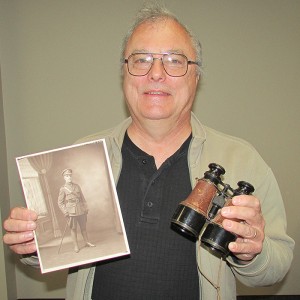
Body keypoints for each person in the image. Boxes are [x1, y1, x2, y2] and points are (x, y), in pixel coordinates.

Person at [2, 3, 295, 300]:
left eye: (174, 60)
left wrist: (252, 253)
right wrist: (34, 244)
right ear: (124, 74)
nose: (156, 73)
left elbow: (277, 266)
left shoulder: (242, 159)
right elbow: (53, 246)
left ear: (196, 77)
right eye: (141, 60)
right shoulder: (83, 156)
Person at [58, 168, 95, 253]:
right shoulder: (63, 189)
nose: (69, 177)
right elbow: (60, 203)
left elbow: (82, 198)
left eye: (70, 175)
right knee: (73, 229)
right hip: (71, 212)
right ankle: (76, 246)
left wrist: (85, 207)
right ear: (64, 177)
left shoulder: (77, 186)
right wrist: (65, 211)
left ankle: (87, 242)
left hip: (80, 209)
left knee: (83, 227)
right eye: (67, 176)